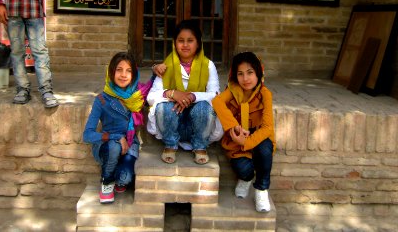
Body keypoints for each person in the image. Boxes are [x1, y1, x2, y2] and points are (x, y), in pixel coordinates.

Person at [147, 20, 223, 165]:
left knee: (204, 107)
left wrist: (192, 97)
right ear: (174, 43)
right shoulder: (166, 66)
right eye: (181, 40)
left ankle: (200, 146)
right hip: (173, 124)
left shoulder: (208, 65)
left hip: (198, 124)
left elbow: (215, 95)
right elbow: (151, 96)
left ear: (198, 43)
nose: (185, 45)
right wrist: (172, 93)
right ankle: (170, 145)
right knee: (163, 107)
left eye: (190, 40)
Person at [83, 52, 154, 203]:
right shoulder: (102, 99)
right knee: (114, 148)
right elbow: (87, 135)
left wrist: (156, 73)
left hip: (130, 145)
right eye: (119, 70)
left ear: (134, 75)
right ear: (111, 72)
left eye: (128, 71)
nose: (123, 75)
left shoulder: (137, 96)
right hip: (107, 145)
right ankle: (107, 181)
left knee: (125, 178)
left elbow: (151, 89)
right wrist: (115, 137)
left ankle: (118, 176)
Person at [212, 51, 276, 212]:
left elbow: (268, 127)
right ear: (235, 76)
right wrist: (234, 126)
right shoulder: (233, 90)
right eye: (240, 74)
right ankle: (246, 179)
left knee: (265, 150)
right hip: (237, 137)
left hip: (258, 136)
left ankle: (261, 189)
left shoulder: (265, 94)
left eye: (250, 73)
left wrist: (247, 142)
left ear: (258, 73)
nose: (245, 79)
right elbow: (217, 101)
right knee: (243, 169)